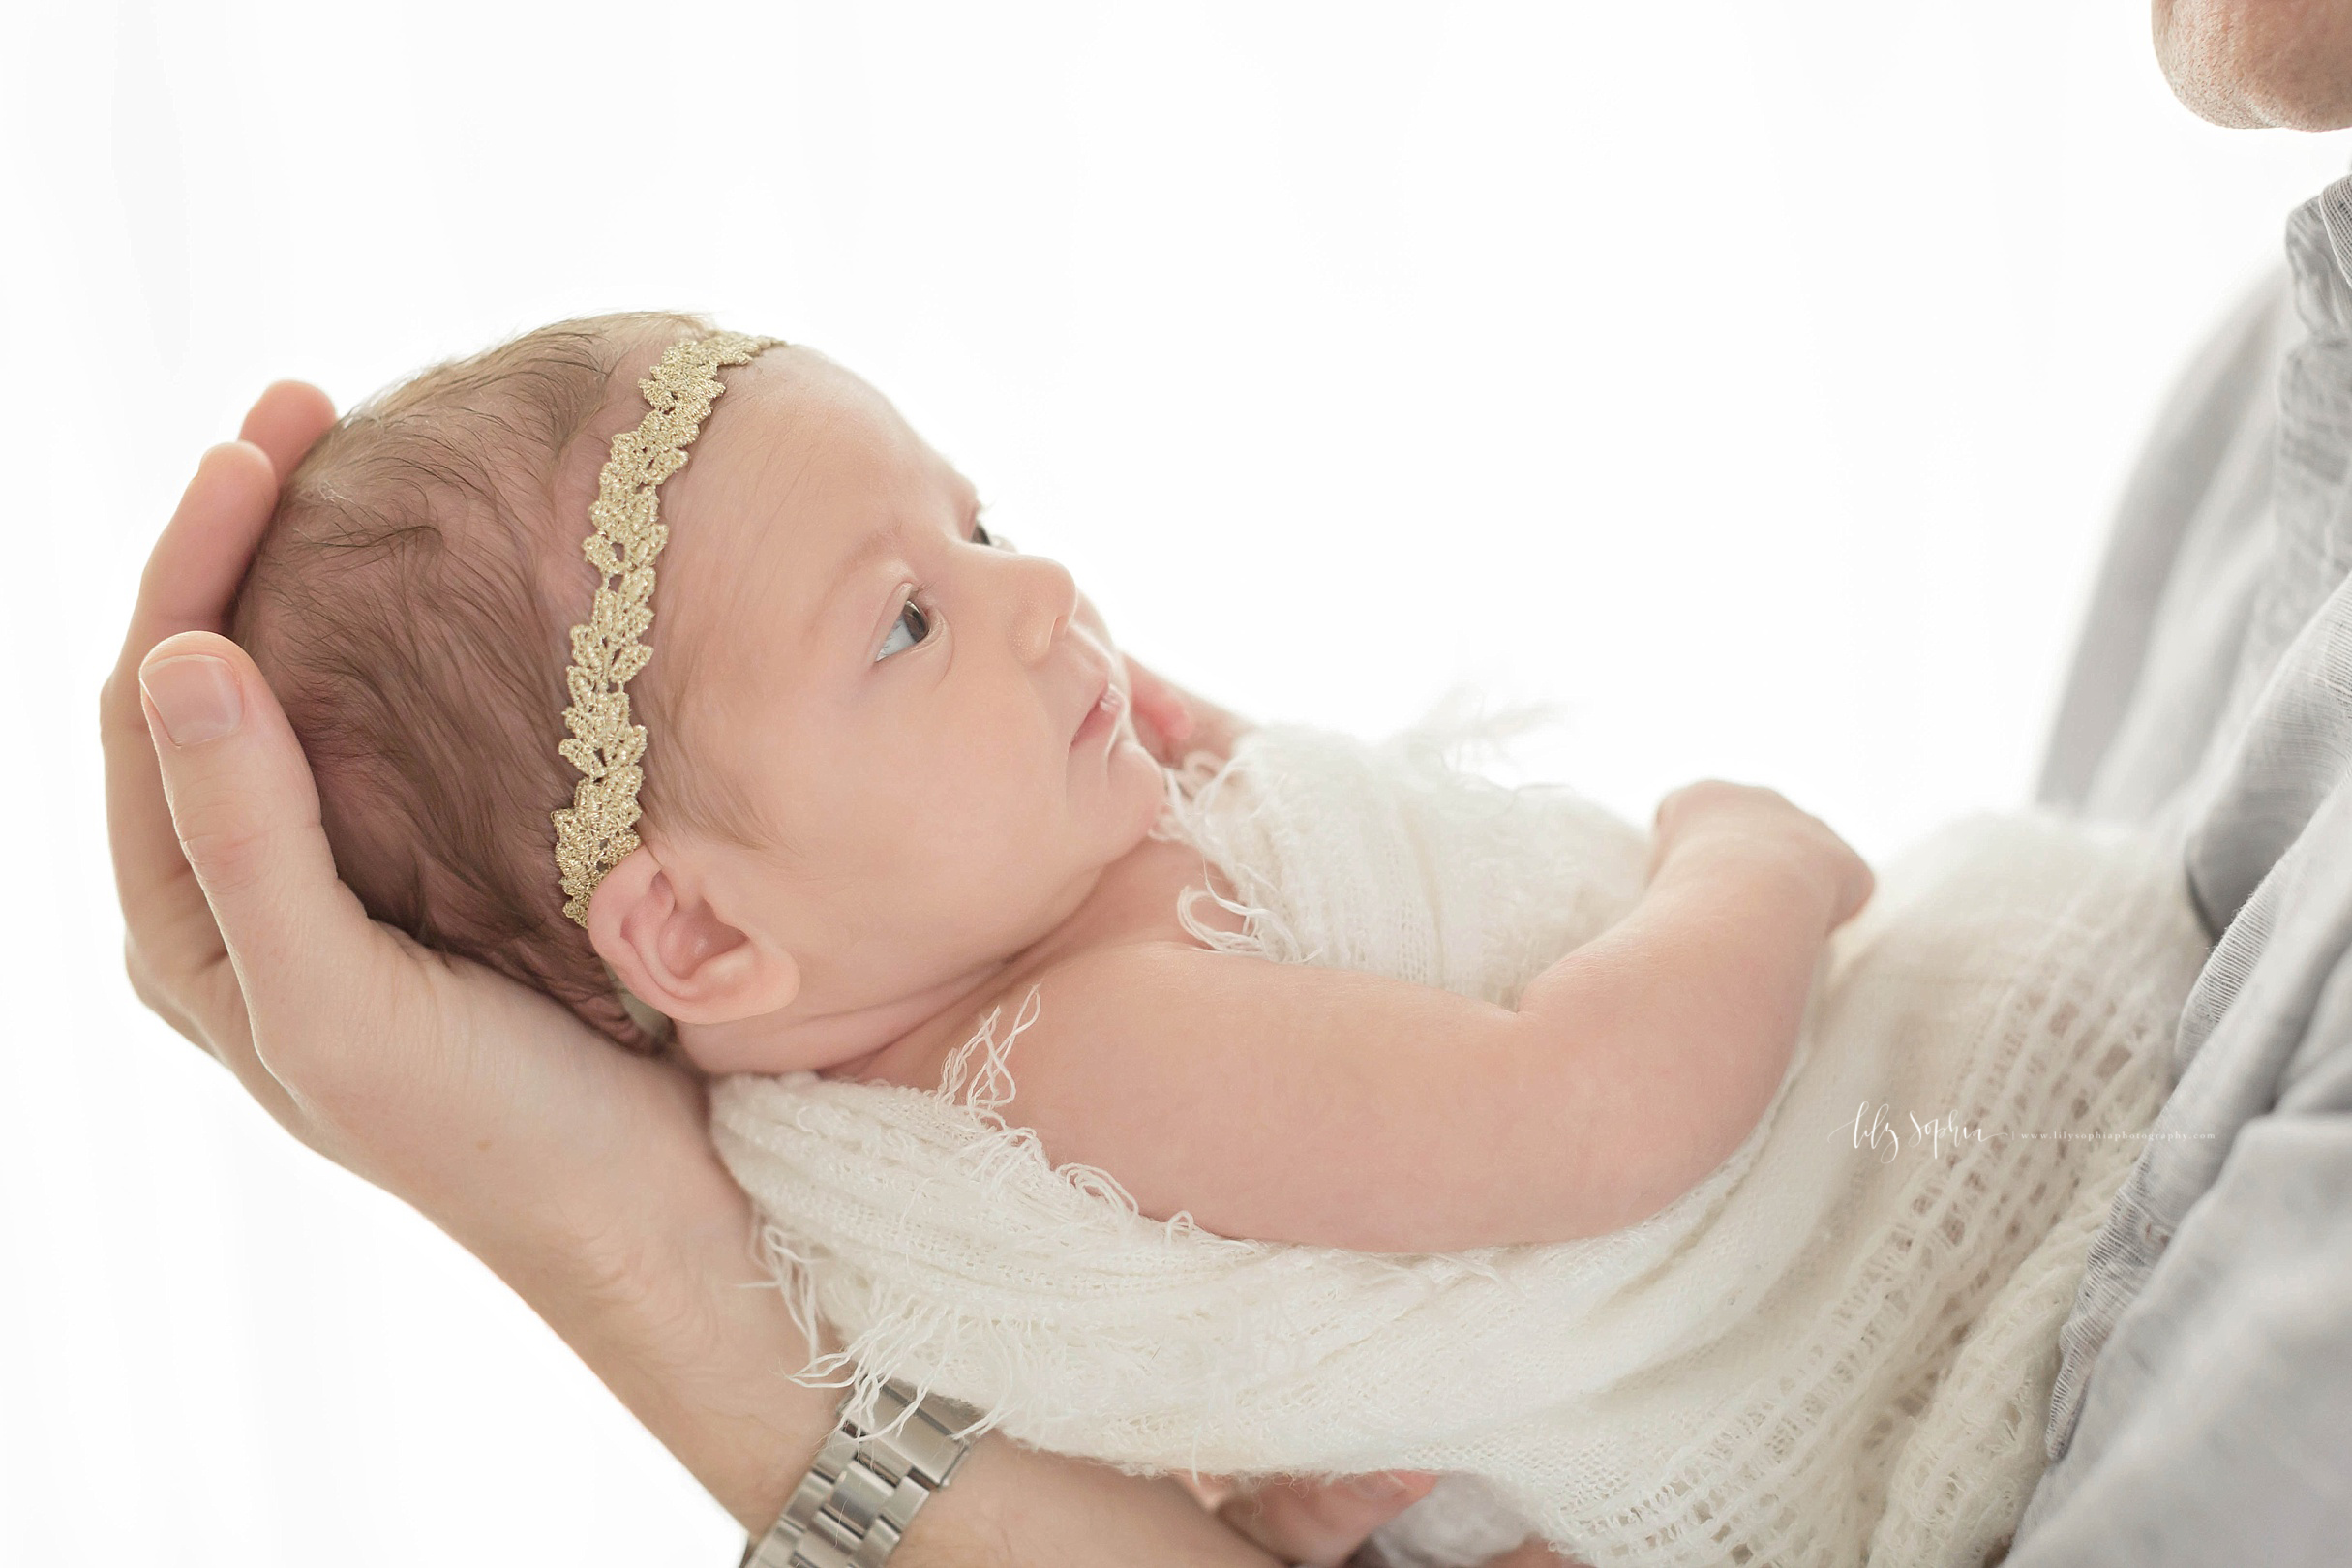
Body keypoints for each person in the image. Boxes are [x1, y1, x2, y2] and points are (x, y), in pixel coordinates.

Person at [106, 3, 2352, 1561]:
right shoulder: (1083, 1051)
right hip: (1921, 1260)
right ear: (693, 932)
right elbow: (1585, 1118)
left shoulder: (1019, 1000)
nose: (1042, 584)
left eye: (977, 521)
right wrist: (1752, 866)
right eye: (907, 615)